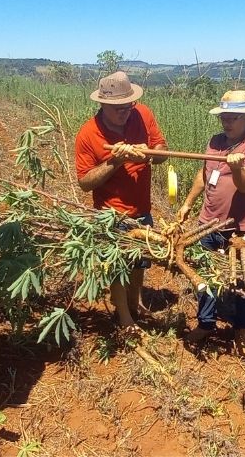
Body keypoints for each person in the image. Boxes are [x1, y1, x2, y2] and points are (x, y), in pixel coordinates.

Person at [177, 90, 245, 356]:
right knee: (204, 276)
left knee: (242, 283)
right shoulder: (216, 141)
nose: (227, 123)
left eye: (233, 118)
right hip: (207, 223)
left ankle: (241, 330)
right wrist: (187, 204)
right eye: (224, 118)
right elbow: (204, 174)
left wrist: (238, 167)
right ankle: (206, 324)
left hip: (238, 228)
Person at [75, 71, 168, 332]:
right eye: (117, 109)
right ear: (102, 104)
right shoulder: (88, 134)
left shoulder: (143, 114)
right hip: (111, 213)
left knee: (140, 262)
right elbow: (84, 182)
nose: (125, 112)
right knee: (117, 265)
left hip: (141, 208)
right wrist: (115, 162)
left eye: (128, 106)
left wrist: (148, 155)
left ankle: (136, 303)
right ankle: (124, 316)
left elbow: (162, 149)